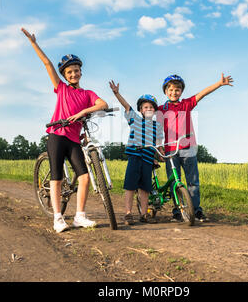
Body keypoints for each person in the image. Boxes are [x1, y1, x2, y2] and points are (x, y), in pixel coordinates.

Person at [22, 28, 109, 233]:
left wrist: (84, 112)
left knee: (84, 176)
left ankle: (80, 216)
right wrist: (34, 43)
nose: (73, 74)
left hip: (73, 140)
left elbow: (103, 104)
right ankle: (58, 218)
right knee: (57, 177)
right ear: (64, 75)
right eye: (69, 72)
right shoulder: (61, 88)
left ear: (81, 72)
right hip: (57, 136)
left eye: (76, 70)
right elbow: (47, 64)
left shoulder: (87, 93)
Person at [157, 73, 234, 222]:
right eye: (171, 90)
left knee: (193, 182)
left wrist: (219, 84)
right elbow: (159, 130)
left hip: (188, 148)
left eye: (177, 90)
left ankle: (196, 211)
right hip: (170, 150)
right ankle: (178, 211)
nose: (174, 93)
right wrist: (160, 147)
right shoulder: (161, 109)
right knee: (174, 181)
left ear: (181, 92)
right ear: (166, 91)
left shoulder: (186, 104)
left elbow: (202, 94)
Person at [109, 80, 164, 225]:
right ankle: (128, 213)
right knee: (130, 186)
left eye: (151, 107)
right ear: (141, 110)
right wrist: (116, 93)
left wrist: (159, 155)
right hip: (135, 157)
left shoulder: (157, 126)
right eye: (145, 107)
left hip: (147, 160)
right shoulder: (135, 119)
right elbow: (126, 106)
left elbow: (158, 144)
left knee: (145, 189)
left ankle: (144, 215)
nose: (148, 109)